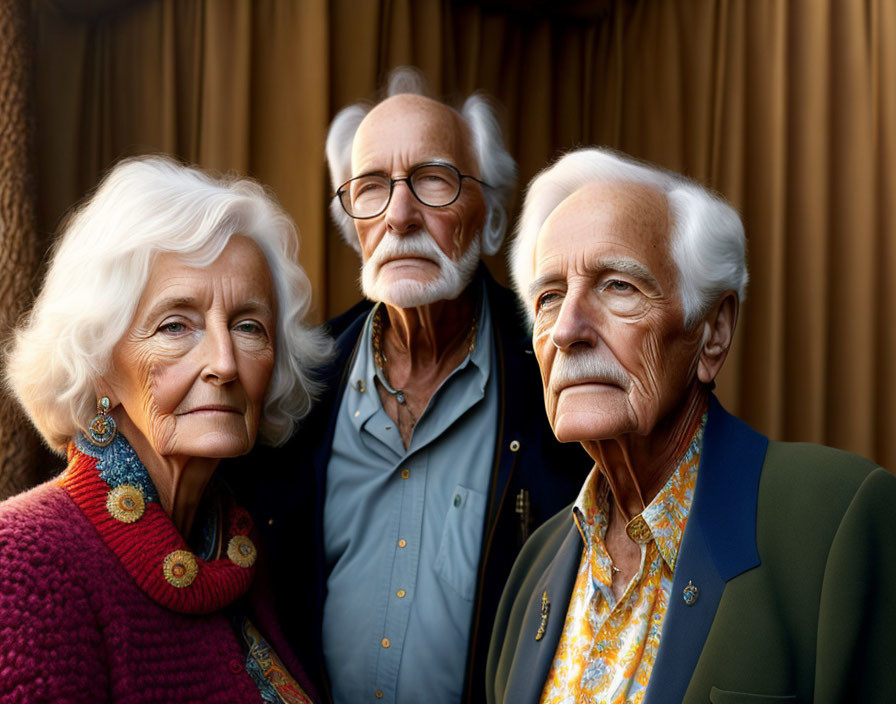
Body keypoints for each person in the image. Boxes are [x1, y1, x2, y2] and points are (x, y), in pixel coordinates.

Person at [229, 69, 589, 704]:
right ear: (354, 225)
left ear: (491, 216)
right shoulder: (298, 382)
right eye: (371, 187)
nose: (400, 215)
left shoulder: (557, 374)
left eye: (433, 180)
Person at [486, 147, 896, 704]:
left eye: (617, 286)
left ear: (713, 332)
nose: (567, 330)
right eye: (550, 297)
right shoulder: (535, 563)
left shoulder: (839, 520)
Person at [0, 155, 332, 703]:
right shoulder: (26, 561)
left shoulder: (241, 551)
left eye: (249, 326)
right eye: (176, 325)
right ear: (98, 360)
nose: (224, 362)